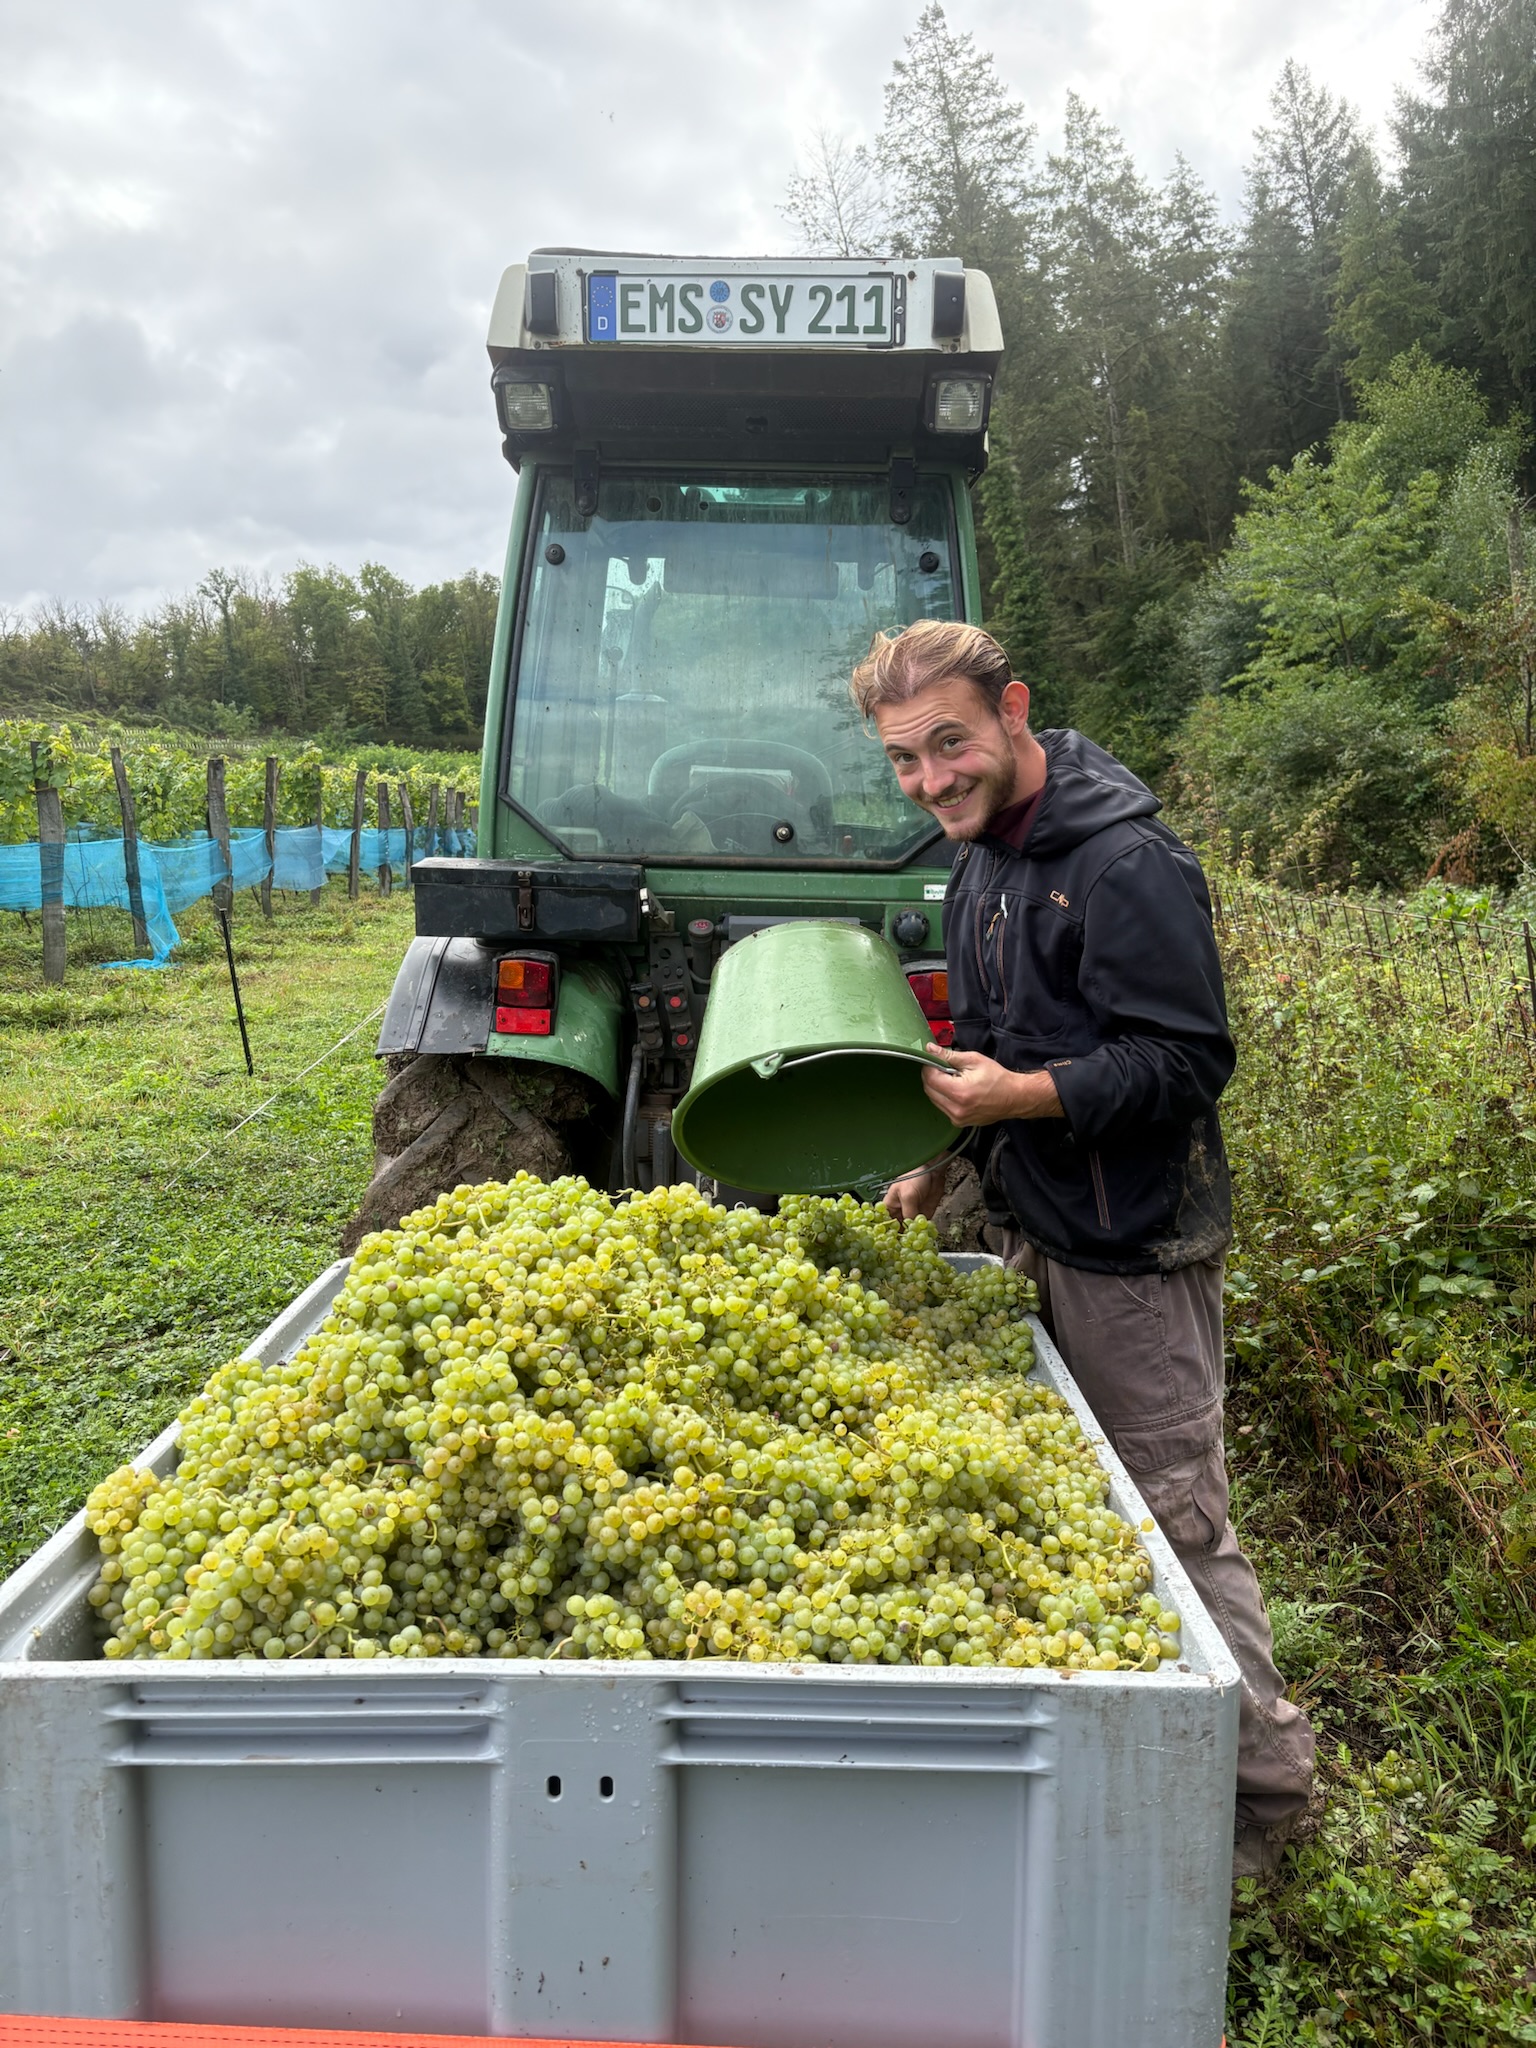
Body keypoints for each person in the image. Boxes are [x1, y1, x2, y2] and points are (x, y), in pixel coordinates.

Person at [855, 618, 1314, 1880]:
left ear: (1013, 710)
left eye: (949, 743)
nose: (931, 778)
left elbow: (1185, 1061)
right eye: (904, 759)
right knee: (1059, 1507)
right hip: (1024, 1222)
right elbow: (989, 1042)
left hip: (1129, 1245)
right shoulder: (980, 863)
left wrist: (1024, 1100)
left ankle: (1263, 1813)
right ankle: (1095, 1757)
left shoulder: (1123, 865)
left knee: (1175, 1522)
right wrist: (942, 1157)